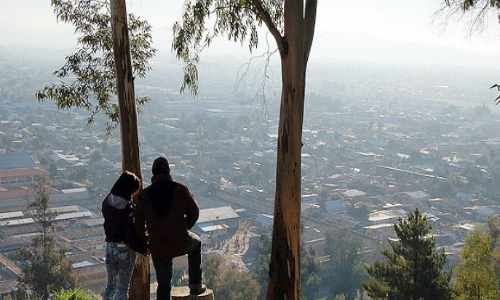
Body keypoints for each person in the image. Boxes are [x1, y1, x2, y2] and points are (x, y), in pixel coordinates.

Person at [135, 157, 206, 299]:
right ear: (168, 171)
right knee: (196, 243)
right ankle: (195, 286)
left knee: (163, 282)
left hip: (158, 246)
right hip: (181, 241)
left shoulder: (143, 197)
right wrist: (183, 228)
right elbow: (194, 212)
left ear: (153, 173)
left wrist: (146, 244)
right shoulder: (180, 190)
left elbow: (138, 225)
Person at [102, 171, 147, 300]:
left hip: (109, 247)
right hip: (124, 250)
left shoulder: (107, 202)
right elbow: (131, 235)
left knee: (111, 285)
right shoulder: (128, 209)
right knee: (122, 289)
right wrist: (143, 249)